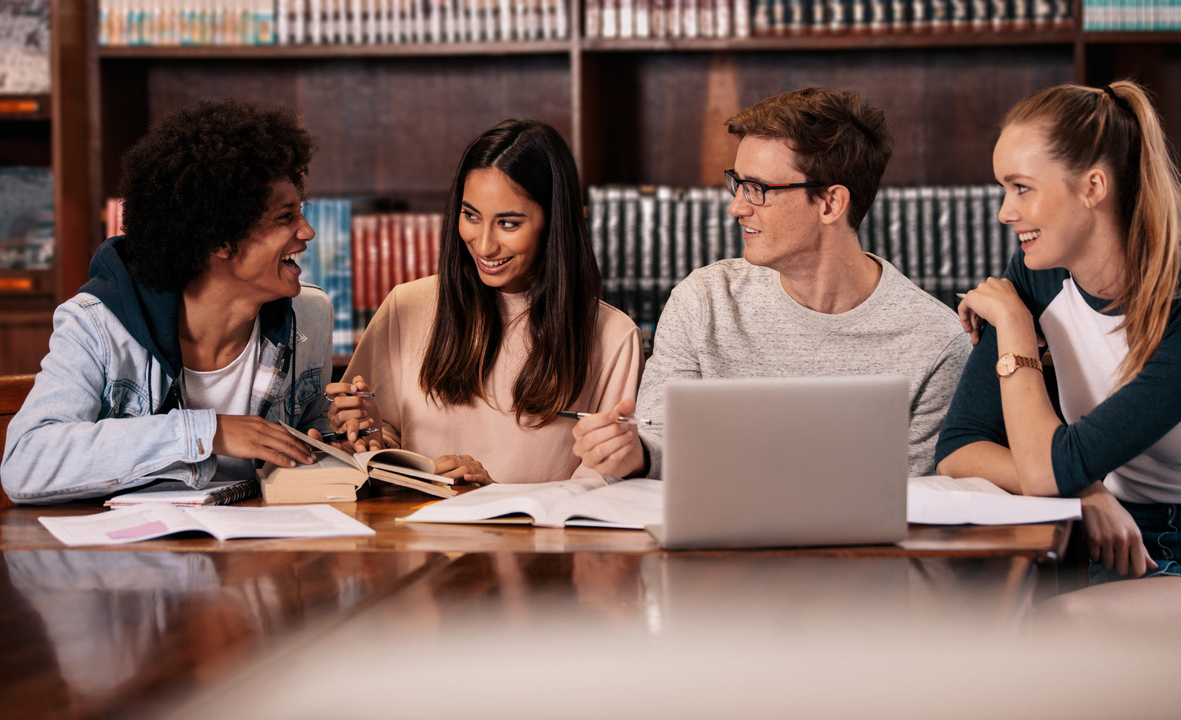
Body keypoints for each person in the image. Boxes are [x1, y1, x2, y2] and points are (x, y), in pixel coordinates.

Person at [935, 80, 1181, 647]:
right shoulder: (1036, 278)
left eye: (1021, 188)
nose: (1003, 212)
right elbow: (960, 449)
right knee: (979, 620)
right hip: (1112, 532)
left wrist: (1015, 326)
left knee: (1058, 631)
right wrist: (1086, 490)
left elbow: (1045, 471)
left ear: (1093, 186)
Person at [572, 87, 972, 479]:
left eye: (758, 189)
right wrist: (631, 453)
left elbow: (917, 499)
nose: (736, 207)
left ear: (831, 203)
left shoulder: (935, 341)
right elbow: (658, 441)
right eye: (738, 183)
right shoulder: (703, 301)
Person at [3, 100, 329, 504]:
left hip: (261, 552)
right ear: (219, 238)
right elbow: (26, 464)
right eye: (285, 217)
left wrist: (346, 435)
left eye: (302, 212)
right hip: (126, 559)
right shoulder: (97, 326)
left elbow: (308, 436)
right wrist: (206, 432)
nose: (308, 231)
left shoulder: (310, 317)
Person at [326, 119, 643, 484]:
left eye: (508, 223)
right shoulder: (405, 306)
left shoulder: (613, 337)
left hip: (534, 539)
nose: (484, 245)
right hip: (411, 534)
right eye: (471, 216)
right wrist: (365, 433)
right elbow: (378, 447)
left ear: (554, 223)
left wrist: (492, 495)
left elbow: (603, 489)